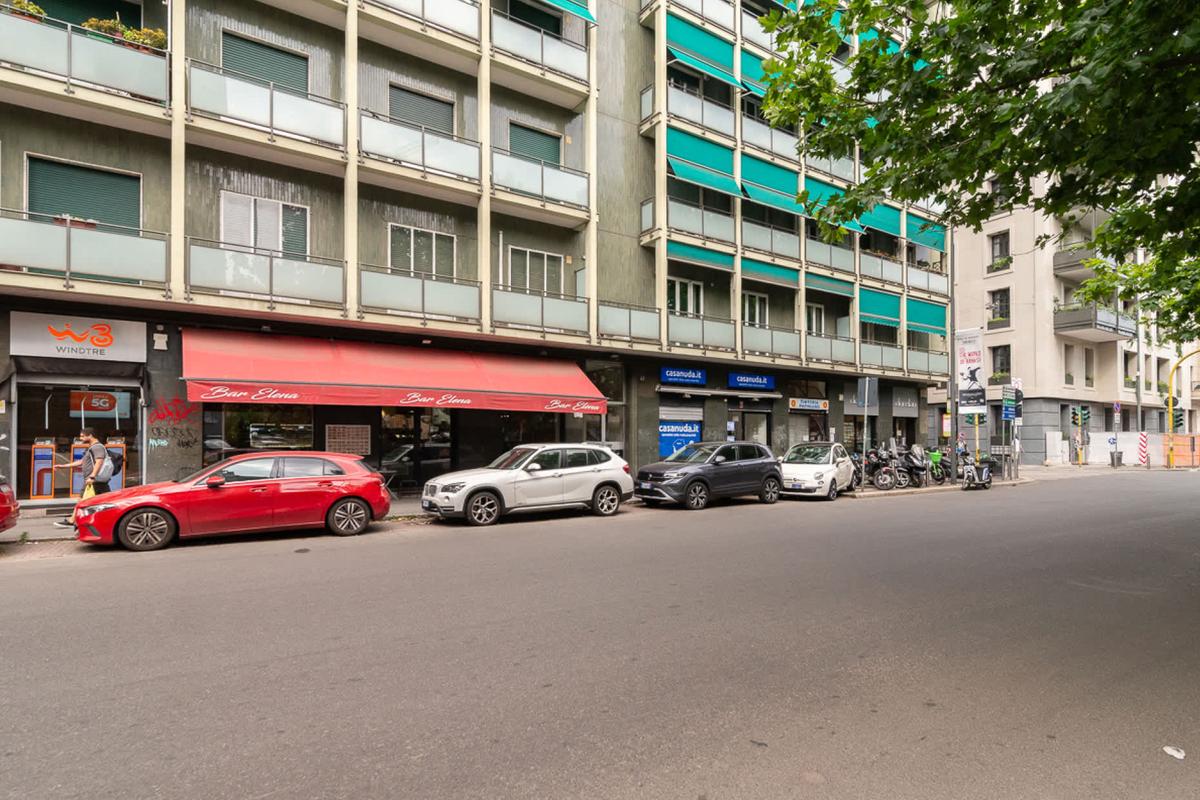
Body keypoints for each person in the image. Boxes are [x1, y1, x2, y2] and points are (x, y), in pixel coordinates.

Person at [52, 428, 110, 528]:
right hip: (95, 480)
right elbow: (81, 462)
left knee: (82, 500)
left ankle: (72, 521)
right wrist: (63, 466)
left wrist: (92, 476)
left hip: (93, 480)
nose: (81, 438)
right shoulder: (91, 448)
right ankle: (106, 521)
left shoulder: (97, 447)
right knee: (105, 501)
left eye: (83, 436)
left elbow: (99, 461)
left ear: (90, 435)